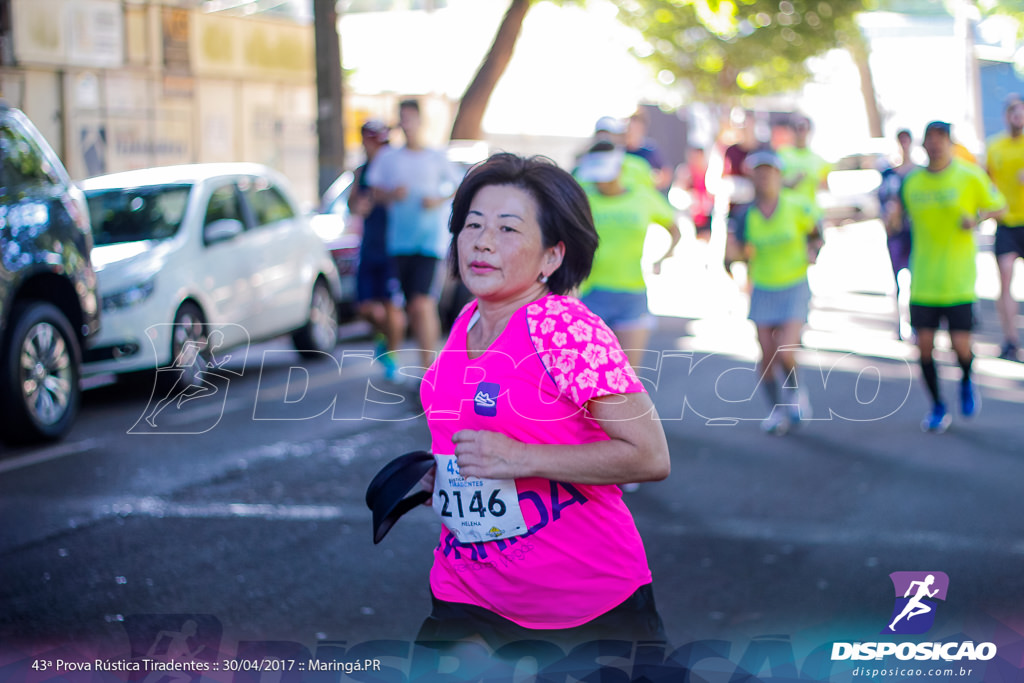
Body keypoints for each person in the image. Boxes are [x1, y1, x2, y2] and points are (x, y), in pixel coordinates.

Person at [415, 153, 671, 656]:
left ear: (552, 257)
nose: (483, 241)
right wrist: (439, 478)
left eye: (509, 229)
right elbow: (472, 438)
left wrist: (519, 458)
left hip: (582, 606)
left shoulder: (563, 327)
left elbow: (649, 456)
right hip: (464, 586)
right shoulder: (468, 318)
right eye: (472, 225)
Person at [889, 121, 1005, 433]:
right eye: (930, 139)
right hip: (923, 281)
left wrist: (977, 218)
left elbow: (1000, 207)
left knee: (960, 348)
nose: (936, 145)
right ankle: (938, 406)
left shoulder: (969, 176)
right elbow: (897, 218)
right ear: (923, 145)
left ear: (950, 144)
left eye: (942, 139)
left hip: (958, 281)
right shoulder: (911, 182)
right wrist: (892, 218)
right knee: (923, 348)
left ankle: (967, 379)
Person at [726, 150, 823, 435]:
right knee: (767, 355)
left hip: (794, 285)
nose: (764, 178)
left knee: (787, 352)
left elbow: (817, 234)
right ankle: (776, 410)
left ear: (779, 176)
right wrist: (735, 258)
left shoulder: (797, 206)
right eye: (758, 172)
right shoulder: (745, 215)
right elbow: (734, 255)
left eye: (769, 172)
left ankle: (795, 393)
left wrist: (813, 250)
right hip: (763, 287)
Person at [366, 99, 462, 374]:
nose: (406, 124)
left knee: (422, 303)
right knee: (405, 306)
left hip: (429, 242)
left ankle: (429, 369)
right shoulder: (389, 158)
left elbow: (458, 187)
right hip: (398, 243)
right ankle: (398, 360)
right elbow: (374, 193)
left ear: (420, 121)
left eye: (410, 118)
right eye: (402, 118)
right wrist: (391, 194)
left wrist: (438, 199)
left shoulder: (436, 157)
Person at [576, 140, 681, 368]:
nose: (599, 181)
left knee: (628, 377)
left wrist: (663, 258)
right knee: (590, 373)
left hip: (632, 294)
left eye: (604, 175)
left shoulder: (643, 198)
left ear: (619, 170)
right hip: (590, 293)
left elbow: (675, 230)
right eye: (595, 175)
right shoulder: (583, 199)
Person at [349, 119, 405, 379]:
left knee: (392, 306)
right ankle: (382, 336)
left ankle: (391, 356)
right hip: (369, 247)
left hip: (393, 247)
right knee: (365, 307)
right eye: (373, 141)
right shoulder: (362, 172)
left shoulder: (395, 169)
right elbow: (353, 204)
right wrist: (358, 206)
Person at [986, 94, 1024, 362]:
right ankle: (1011, 340)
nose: (1017, 118)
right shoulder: (994, 146)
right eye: (1014, 113)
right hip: (1006, 223)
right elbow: (986, 182)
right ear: (1006, 116)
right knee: (1006, 278)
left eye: (1021, 114)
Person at [877, 128, 917, 340]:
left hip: (915, 232)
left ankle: (916, 322)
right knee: (897, 279)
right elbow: (881, 202)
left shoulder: (918, 172)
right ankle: (900, 323)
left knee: (915, 278)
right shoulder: (888, 173)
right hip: (895, 232)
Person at [777, 114, 830, 218]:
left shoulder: (818, 159)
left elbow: (824, 189)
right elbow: (775, 185)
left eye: (803, 128)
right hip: (789, 215)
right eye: (796, 128)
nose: (800, 133)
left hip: (812, 214)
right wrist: (792, 181)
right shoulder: (782, 155)